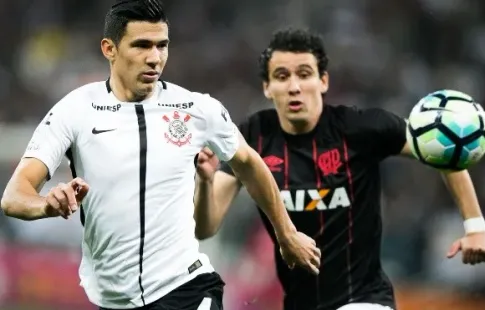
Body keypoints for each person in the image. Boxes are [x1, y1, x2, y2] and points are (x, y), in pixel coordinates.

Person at [0, 2, 322, 310]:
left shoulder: (197, 109)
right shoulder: (75, 110)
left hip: (186, 288)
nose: (154, 57)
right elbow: (14, 197)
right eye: (141, 45)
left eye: (161, 45)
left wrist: (286, 233)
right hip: (114, 301)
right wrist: (46, 204)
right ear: (109, 49)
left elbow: (250, 164)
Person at [194, 28, 485, 310]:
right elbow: (205, 227)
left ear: (323, 81)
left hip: (365, 298)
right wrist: (206, 182)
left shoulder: (361, 127)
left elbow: (439, 147)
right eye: (282, 76)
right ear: (268, 87)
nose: (294, 86)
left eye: (305, 74)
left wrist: (475, 226)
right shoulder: (251, 138)